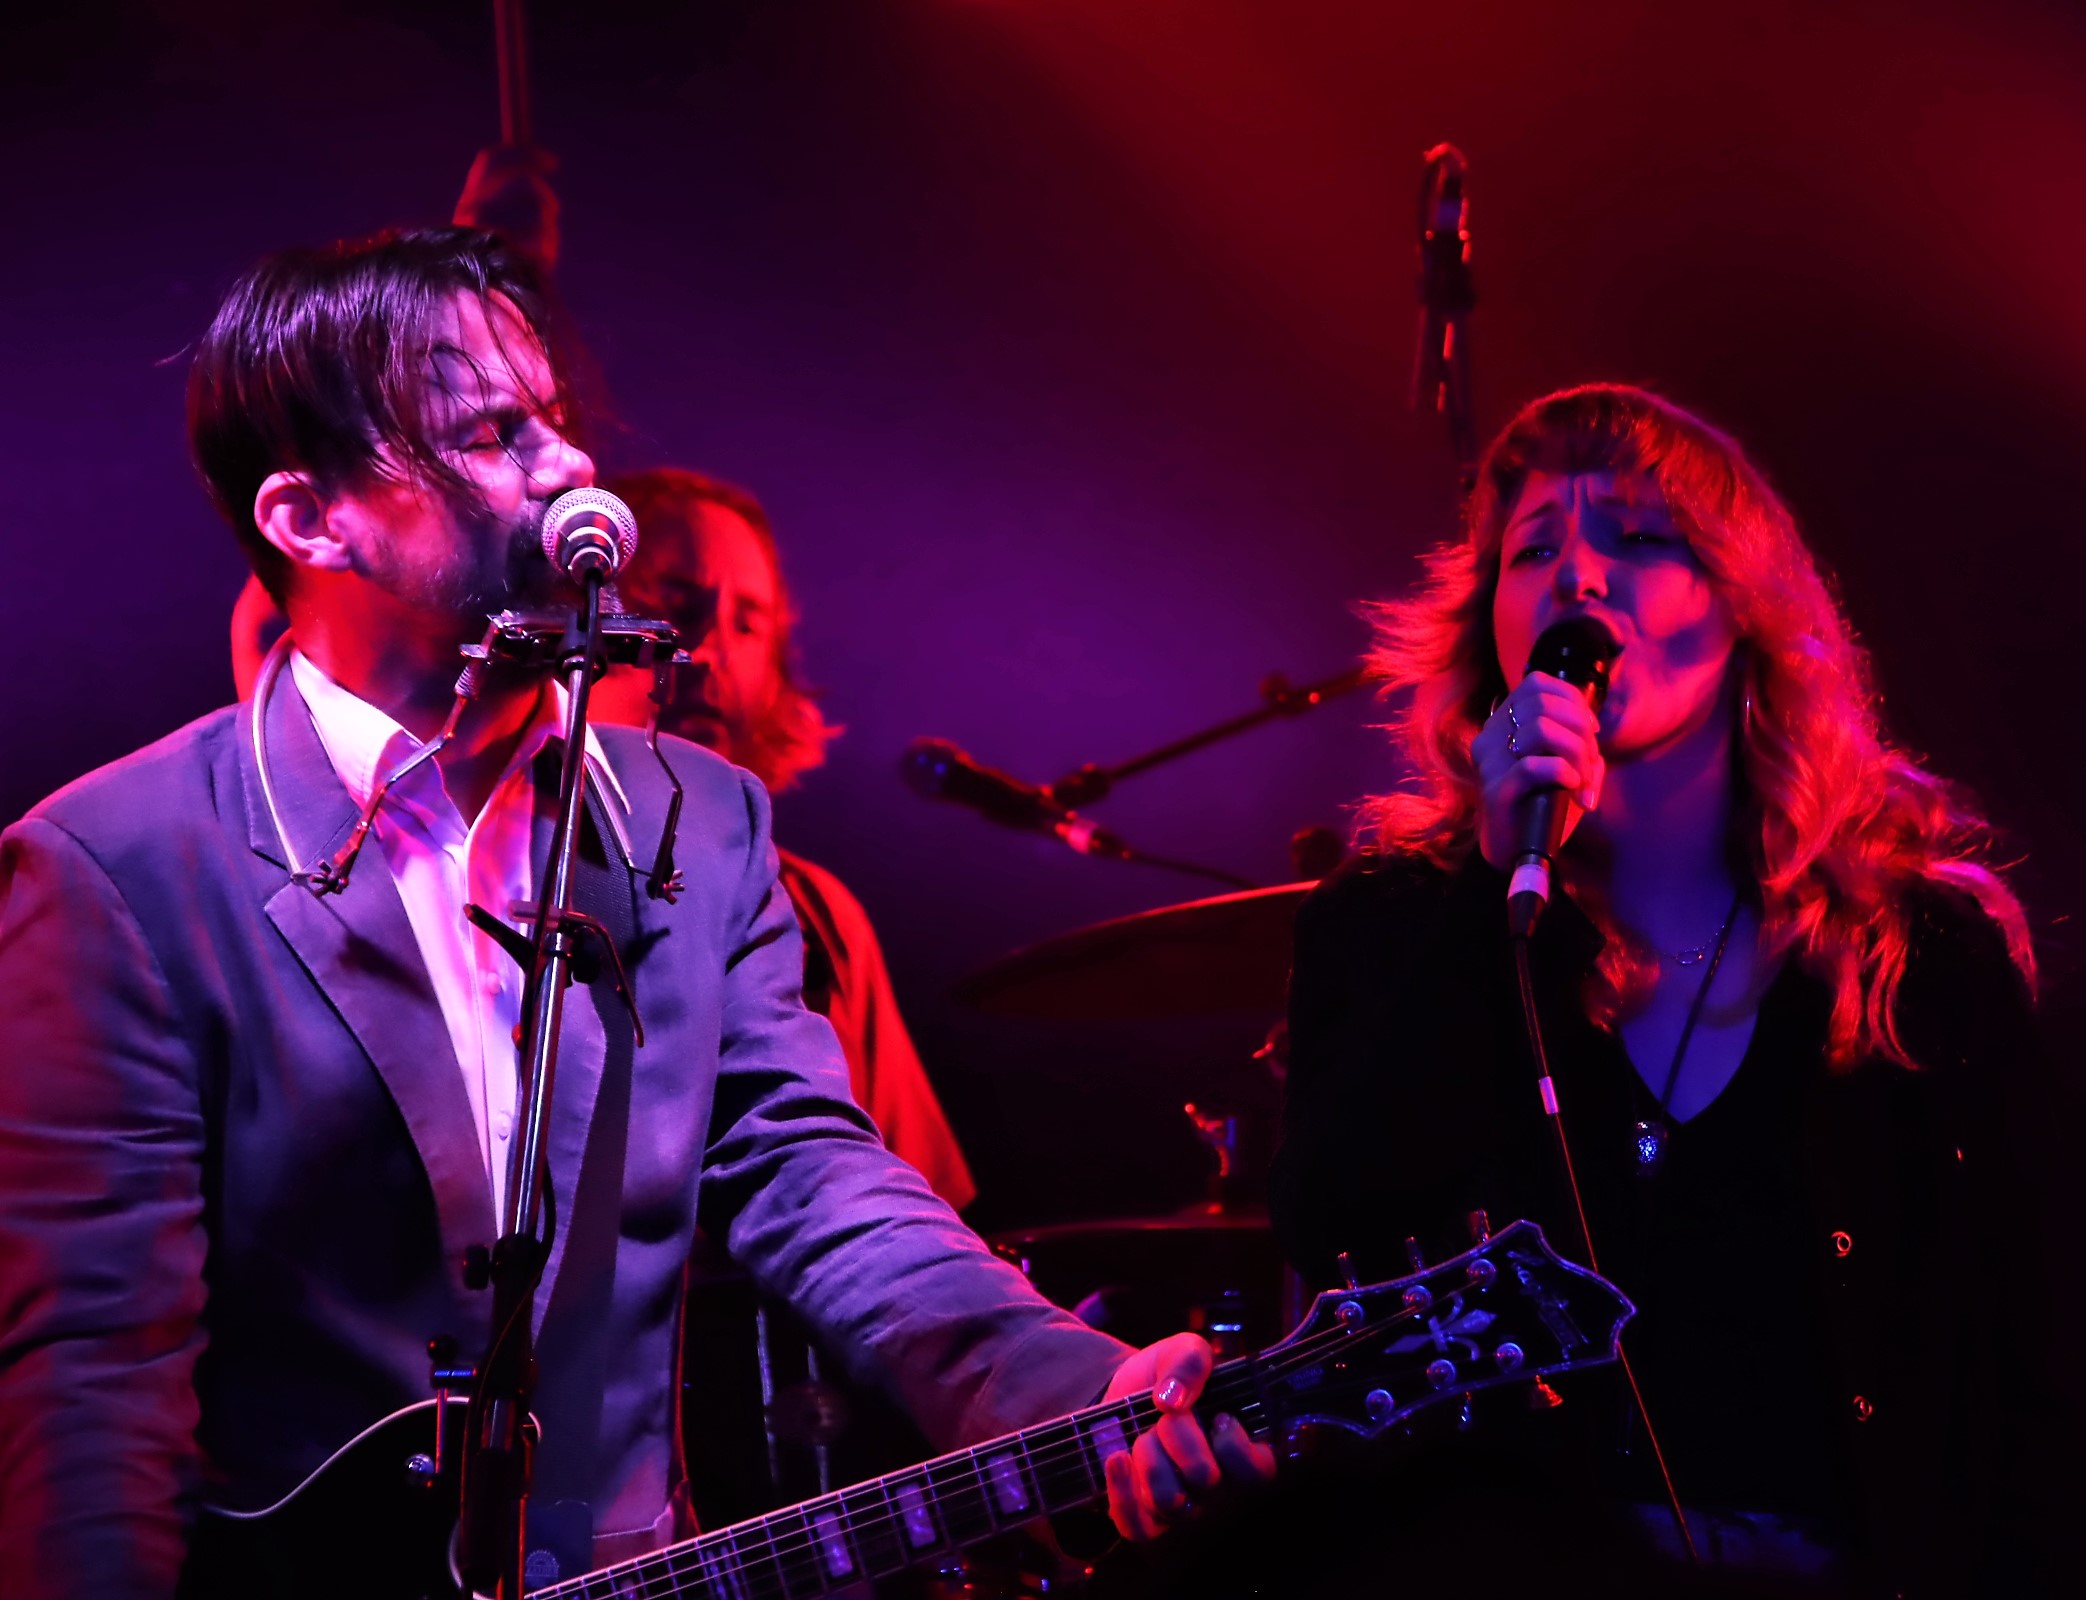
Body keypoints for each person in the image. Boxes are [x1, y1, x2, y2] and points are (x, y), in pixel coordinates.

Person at [0, 227, 1268, 1598]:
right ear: (313, 521)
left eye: (553, 417)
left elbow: (812, 1178)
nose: (569, 466)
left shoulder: (699, 827)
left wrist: (1073, 1384)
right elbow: (90, 1392)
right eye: (491, 433)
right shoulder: (115, 869)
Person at [1268, 384, 2086, 1595]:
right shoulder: (1393, 921)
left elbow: (2042, 1369)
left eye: (1640, 537)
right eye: (1534, 550)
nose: (1578, 575)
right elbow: (1335, 1222)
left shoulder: (1917, 951)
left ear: (1741, 603)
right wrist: (1490, 891)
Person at [585, 467, 977, 1210]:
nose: (711, 653)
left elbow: (913, 1194)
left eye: (748, 623)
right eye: (676, 606)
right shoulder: (496, 860)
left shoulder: (820, 912)